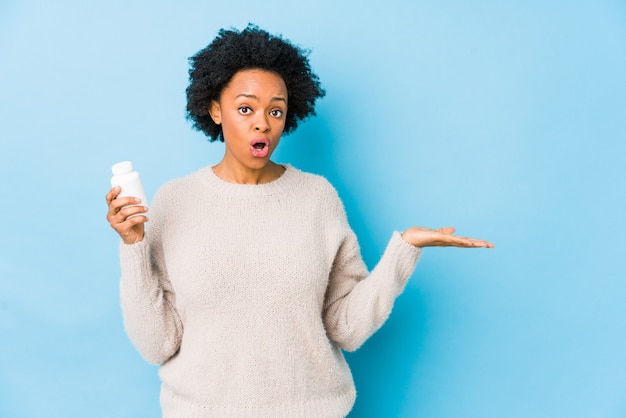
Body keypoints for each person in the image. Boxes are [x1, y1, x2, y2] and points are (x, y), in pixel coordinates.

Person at [105, 24, 493, 418]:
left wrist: (403, 250)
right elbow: (158, 344)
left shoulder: (316, 198)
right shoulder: (174, 200)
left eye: (276, 110)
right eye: (245, 108)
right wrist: (133, 247)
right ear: (215, 109)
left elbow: (347, 329)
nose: (263, 123)